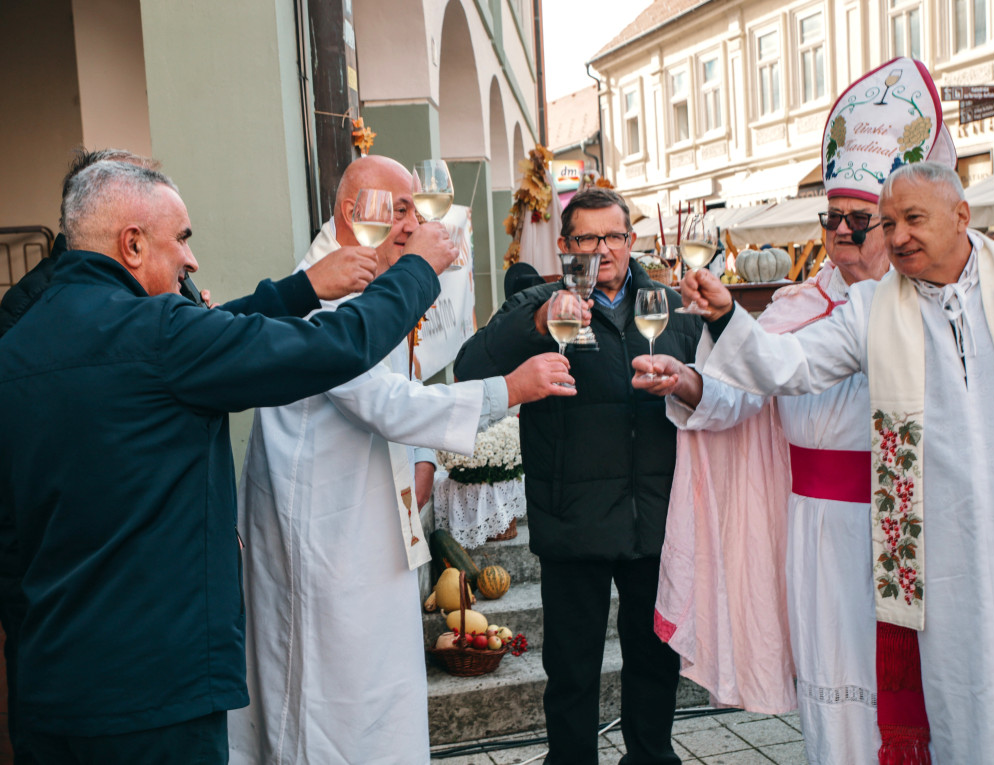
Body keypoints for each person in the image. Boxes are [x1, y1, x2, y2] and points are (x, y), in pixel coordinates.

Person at [0, 159, 457, 764]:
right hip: (157, 693)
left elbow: (9, 541)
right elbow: (333, 346)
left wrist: (299, 290)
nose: (191, 261)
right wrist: (420, 270)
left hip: (46, 688)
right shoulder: (160, 336)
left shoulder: (15, 348)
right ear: (131, 243)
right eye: (182, 239)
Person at [632, 58, 955, 764]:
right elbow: (741, 393)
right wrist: (686, 380)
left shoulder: (926, 308)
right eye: (831, 216)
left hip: (900, 521)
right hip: (813, 531)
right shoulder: (792, 305)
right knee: (832, 698)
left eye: (859, 217)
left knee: (915, 695)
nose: (843, 230)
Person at [227, 155, 575, 765]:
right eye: (404, 208)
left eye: (418, 207)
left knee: (377, 695)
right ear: (354, 214)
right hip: (324, 539)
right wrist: (508, 390)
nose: (415, 222)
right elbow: (384, 400)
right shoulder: (322, 293)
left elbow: (400, 389)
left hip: (366, 530)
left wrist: (420, 458)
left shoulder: (365, 283)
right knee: (330, 700)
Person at [677, 160, 994, 763]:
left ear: (962, 216)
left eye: (912, 218)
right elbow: (789, 364)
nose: (898, 235)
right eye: (889, 223)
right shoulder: (871, 309)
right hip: (931, 547)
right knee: (956, 692)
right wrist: (730, 315)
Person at [454, 187, 702, 765]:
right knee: (570, 673)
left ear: (630, 240)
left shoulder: (665, 307)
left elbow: (713, 393)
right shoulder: (537, 305)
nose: (602, 250)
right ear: (566, 247)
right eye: (586, 239)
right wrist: (541, 320)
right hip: (571, 523)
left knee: (654, 662)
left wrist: (685, 382)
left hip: (653, 521)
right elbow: (470, 367)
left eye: (612, 236)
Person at [0, 147, 384, 338]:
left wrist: (305, 288)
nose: (192, 261)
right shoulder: (25, 310)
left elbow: (218, 333)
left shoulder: (155, 280)